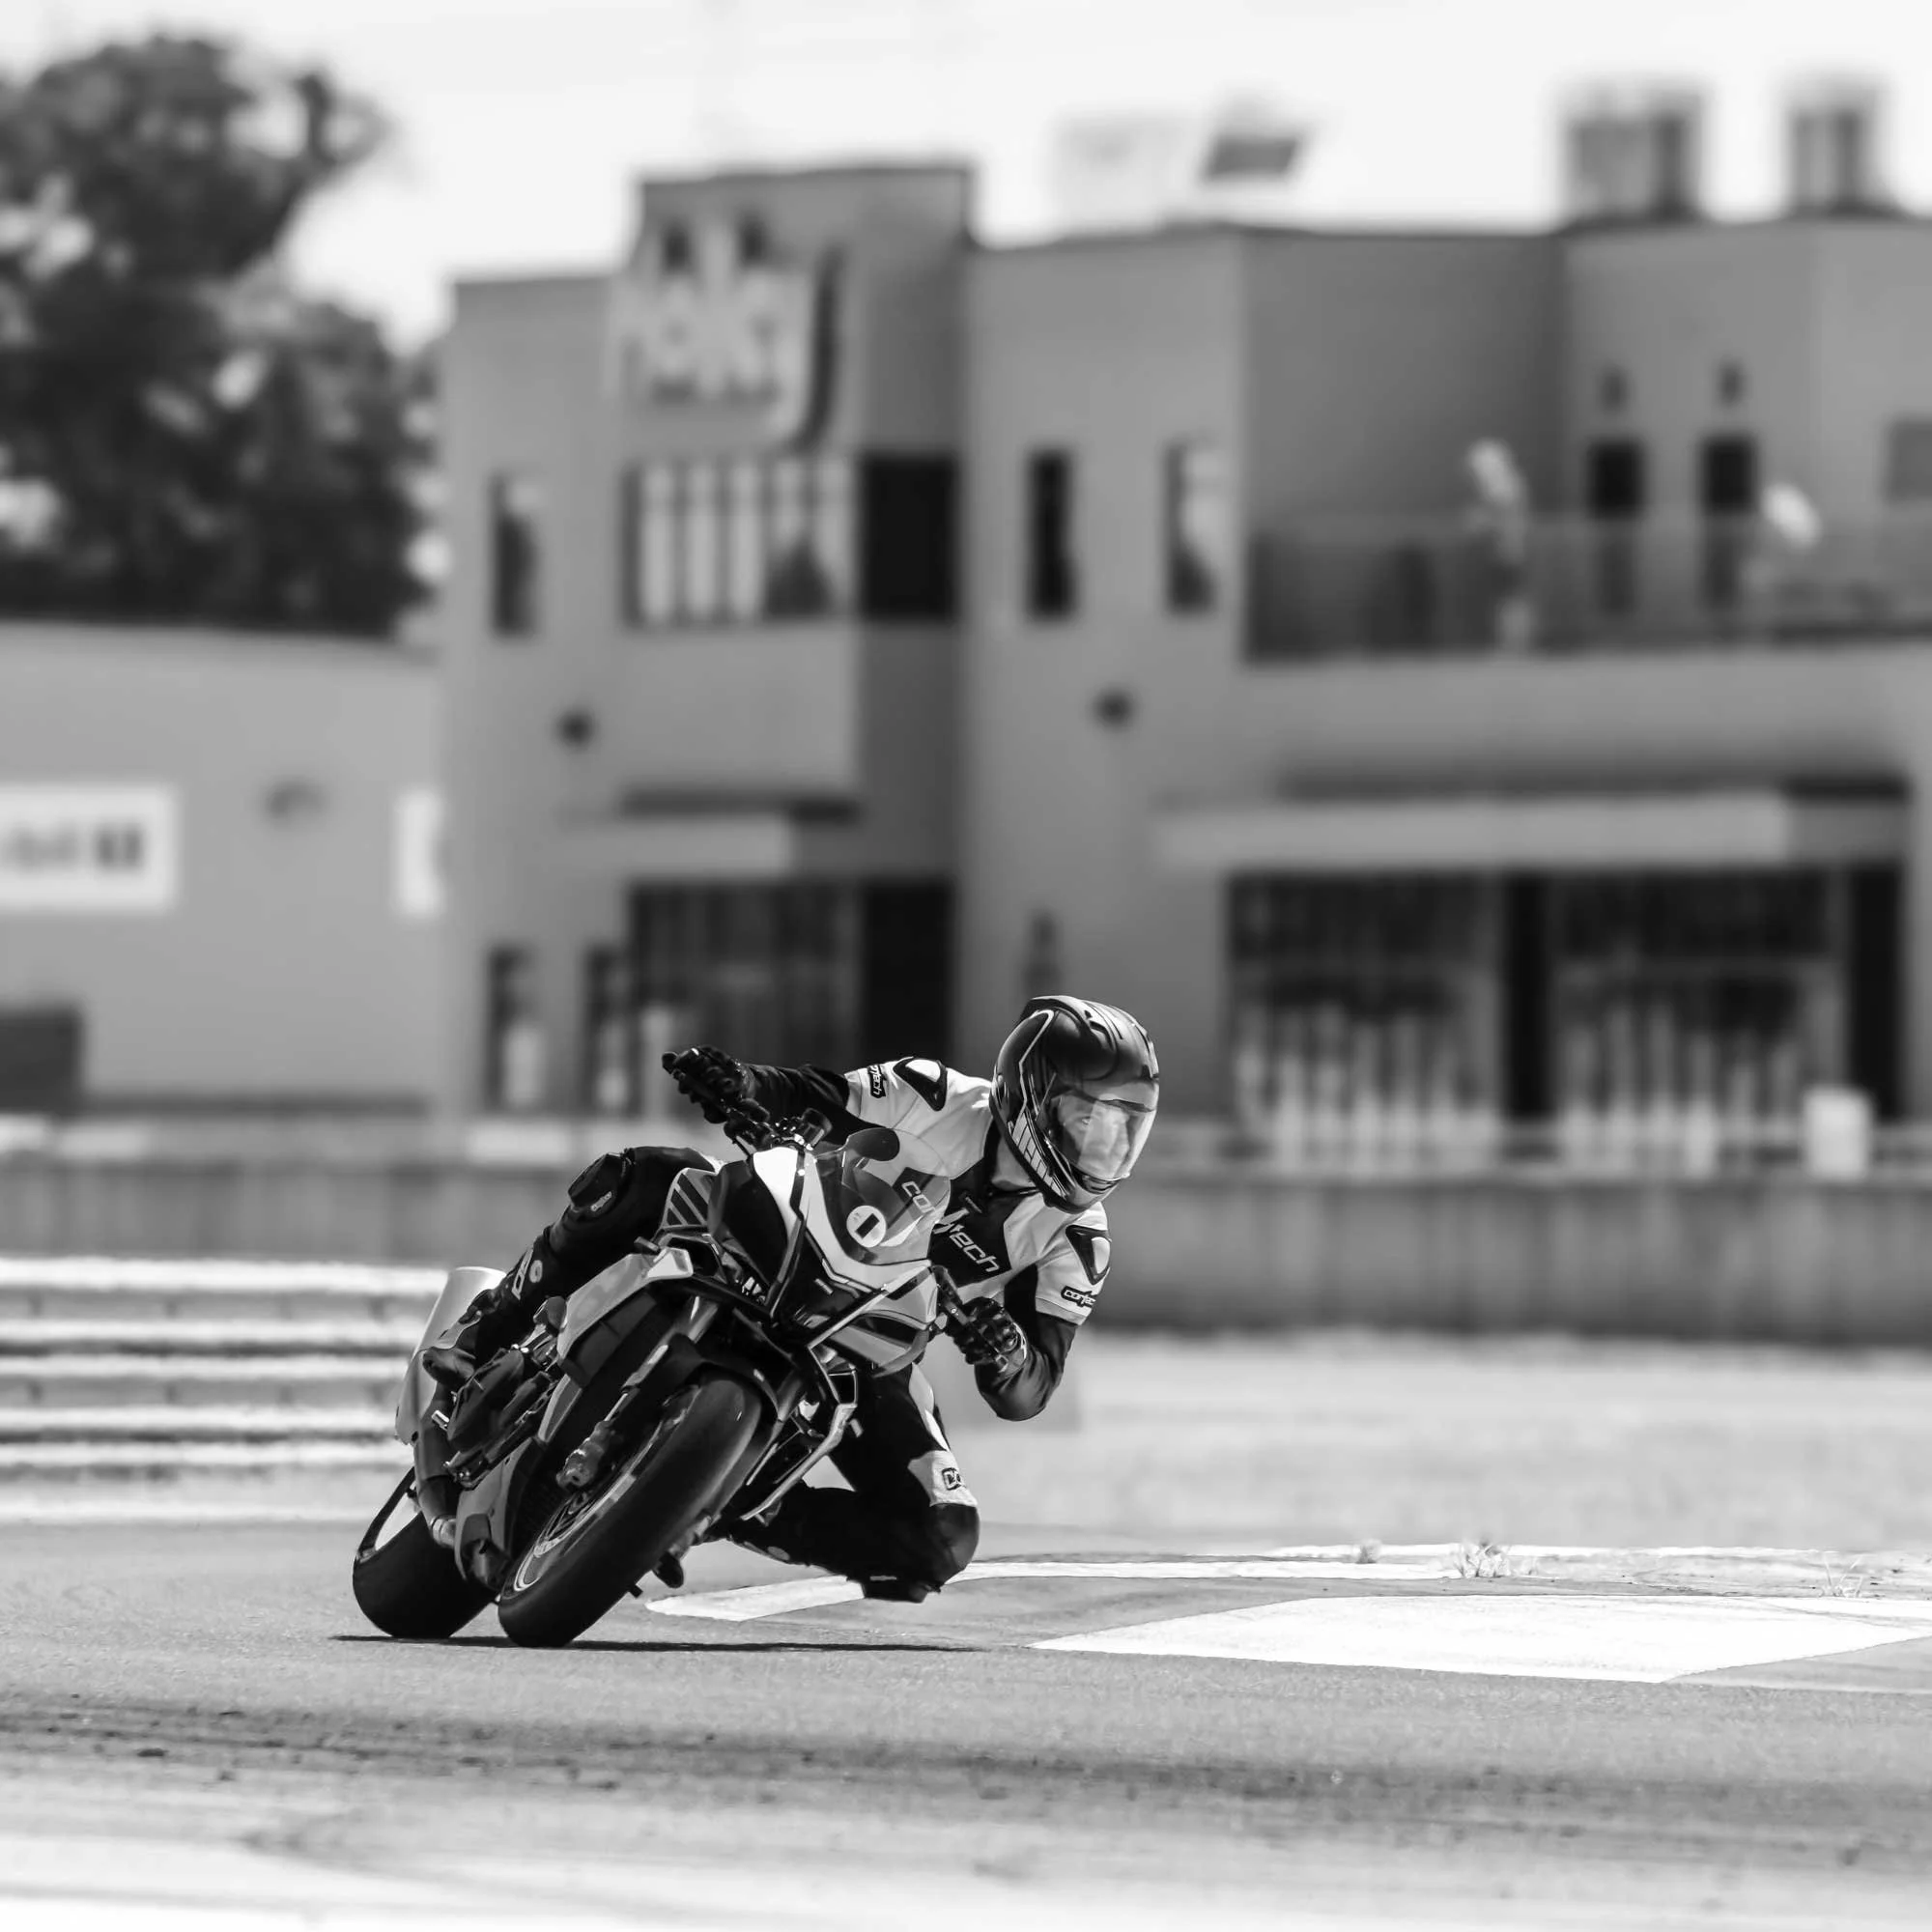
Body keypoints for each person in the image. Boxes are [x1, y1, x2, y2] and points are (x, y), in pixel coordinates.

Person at [425, 995, 1160, 1601]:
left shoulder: (1079, 1242)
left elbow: (1032, 1389)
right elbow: (818, 1094)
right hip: (791, 1238)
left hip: (875, 1341)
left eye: (1127, 1126)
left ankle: (728, 1502)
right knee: (651, 1174)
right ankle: (493, 1323)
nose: (1107, 1145)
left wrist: (1004, 1356)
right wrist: (739, 1084)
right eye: (1088, 1118)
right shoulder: (937, 1094)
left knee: (946, 1535)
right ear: (1034, 1098)